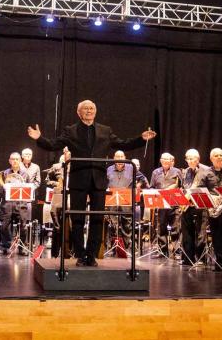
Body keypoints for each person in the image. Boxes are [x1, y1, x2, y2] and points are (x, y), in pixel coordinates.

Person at [28, 100, 155, 266]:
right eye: (85, 109)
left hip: (99, 181)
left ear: (95, 112)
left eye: (92, 108)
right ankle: (80, 254)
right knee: (78, 218)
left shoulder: (105, 130)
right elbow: (53, 145)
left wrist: (141, 139)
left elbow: (123, 144)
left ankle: (92, 255)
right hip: (78, 180)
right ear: (79, 112)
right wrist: (39, 139)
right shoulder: (70, 130)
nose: (89, 111)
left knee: (97, 219)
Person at [105, 150, 148, 252]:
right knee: (112, 224)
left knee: (126, 223)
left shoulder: (131, 167)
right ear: (114, 158)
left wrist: (137, 186)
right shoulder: (109, 169)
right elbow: (104, 182)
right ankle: (114, 247)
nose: (120, 159)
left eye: (121, 156)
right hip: (112, 200)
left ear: (125, 157)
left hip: (126, 199)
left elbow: (143, 178)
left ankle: (125, 247)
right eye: (117, 157)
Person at [179, 149, 210, 266]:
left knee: (201, 233)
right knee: (187, 233)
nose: (190, 161)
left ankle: (201, 258)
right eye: (188, 158)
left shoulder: (206, 170)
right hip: (187, 206)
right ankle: (188, 258)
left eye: (193, 158)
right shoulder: (185, 171)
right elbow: (184, 187)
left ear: (198, 159)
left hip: (201, 206)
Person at [149, 153, 182, 258]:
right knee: (161, 228)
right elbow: (151, 187)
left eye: (168, 159)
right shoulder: (155, 172)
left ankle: (177, 251)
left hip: (174, 204)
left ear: (171, 160)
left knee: (176, 228)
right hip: (161, 204)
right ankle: (162, 251)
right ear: (161, 160)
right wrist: (157, 192)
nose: (165, 161)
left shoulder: (177, 171)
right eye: (163, 159)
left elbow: (182, 187)